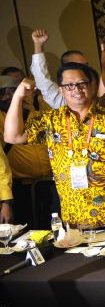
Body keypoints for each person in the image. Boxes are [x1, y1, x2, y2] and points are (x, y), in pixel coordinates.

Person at [4, 62, 105, 228]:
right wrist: (18, 96)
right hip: (75, 215)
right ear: (61, 89)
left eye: (82, 83)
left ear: (92, 85)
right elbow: (12, 136)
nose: (76, 89)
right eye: (69, 85)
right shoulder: (51, 120)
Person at [0, 75, 52, 225]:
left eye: (12, 91)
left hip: (48, 184)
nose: (8, 96)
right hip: (22, 188)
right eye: (4, 93)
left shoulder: (35, 115)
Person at [30, 29, 105, 109]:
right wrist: (38, 45)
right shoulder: (62, 101)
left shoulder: (93, 89)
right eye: (78, 66)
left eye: (86, 66)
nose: (77, 89)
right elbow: (42, 79)